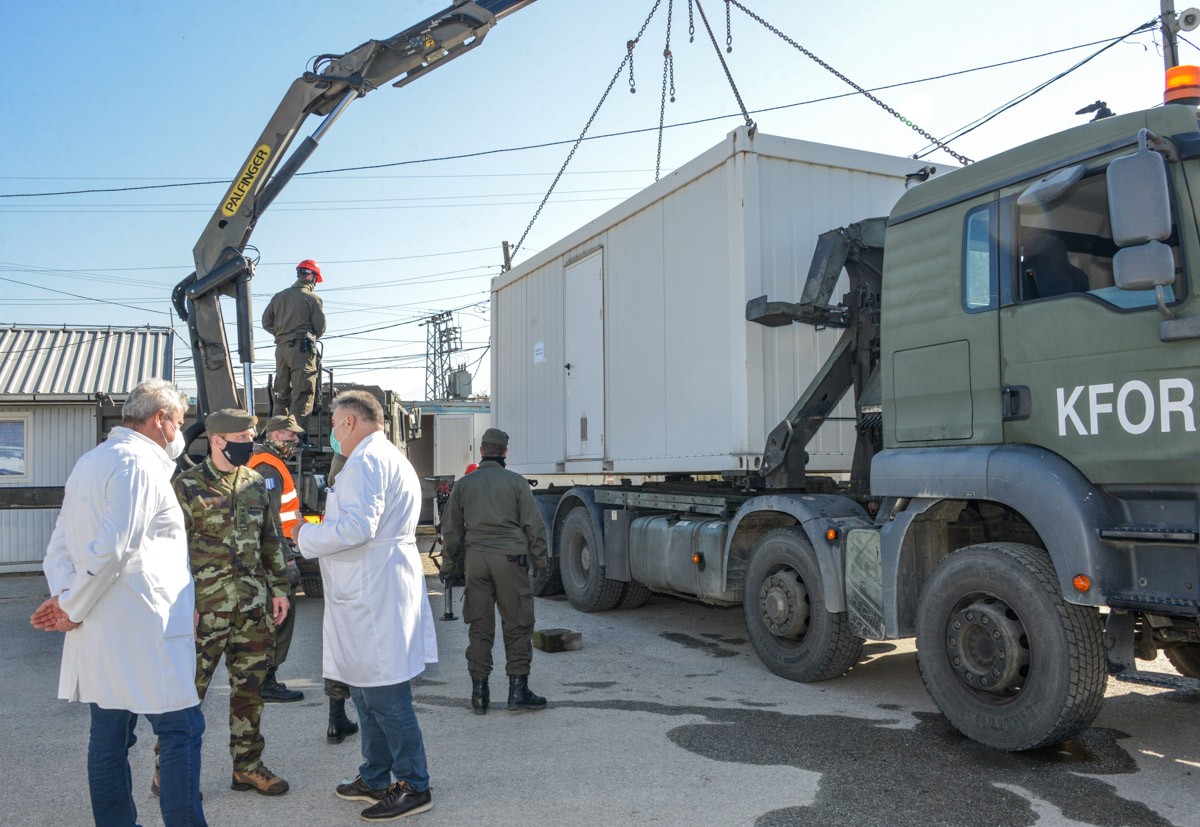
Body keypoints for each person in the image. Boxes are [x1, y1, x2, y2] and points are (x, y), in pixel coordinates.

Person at [33, 378, 207, 826]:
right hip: (142, 626)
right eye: (181, 422)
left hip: (101, 627)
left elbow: (59, 548)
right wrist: (68, 607)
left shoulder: (91, 462)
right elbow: (115, 549)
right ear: (160, 420)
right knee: (181, 732)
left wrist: (67, 599)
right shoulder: (139, 465)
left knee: (109, 738)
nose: (181, 432)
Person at [294, 390, 436, 821]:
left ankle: (414, 784)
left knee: (386, 694)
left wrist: (305, 535)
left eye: (335, 425)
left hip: (374, 590)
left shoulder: (366, 462)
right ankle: (375, 776)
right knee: (363, 689)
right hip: (373, 583)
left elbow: (357, 526)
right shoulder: (383, 456)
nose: (334, 433)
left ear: (351, 422)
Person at [172, 408, 291, 796]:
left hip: (251, 608)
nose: (250, 446)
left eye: (252, 438)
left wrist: (278, 589)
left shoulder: (255, 483)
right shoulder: (186, 486)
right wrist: (181, 602)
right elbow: (171, 552)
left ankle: (248, 766)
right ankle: (168, 769)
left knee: (250, 690)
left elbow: (269, 540)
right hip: (203, 610)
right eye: (243, 440)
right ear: (218, 440)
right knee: (188, 692)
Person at [439, 428, 549, 715]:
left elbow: (450, 531)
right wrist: (541, 562)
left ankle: (479, 694)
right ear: (505, 452)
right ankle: (518, 691)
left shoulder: (464, 485)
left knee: (480, 627)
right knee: (517, 624)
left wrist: (450, 566)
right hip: (510, 561)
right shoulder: (516, 483)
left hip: (476, 560)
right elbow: (534, 527)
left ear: (482, 451)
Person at [248, 414, 306, 703]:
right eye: (290, 435)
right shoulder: (268, 467)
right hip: (272, 556)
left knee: (273, 615)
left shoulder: (265, 462)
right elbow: (270, 519)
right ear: (275, 434)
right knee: (279, 616)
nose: (295, 440)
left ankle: (262, 680)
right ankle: (266, 682)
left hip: (267, 553)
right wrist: (288, 560)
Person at [261, 259, 326, 426]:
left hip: (281, 350)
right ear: (312, 277)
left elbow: (266, 322)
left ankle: (276, 436)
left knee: (282, 395)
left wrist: (283, 334)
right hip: (301, 350)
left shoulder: (279, 296)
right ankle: (295, 440)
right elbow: (320, 329)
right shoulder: (312, 298)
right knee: (303, 392)